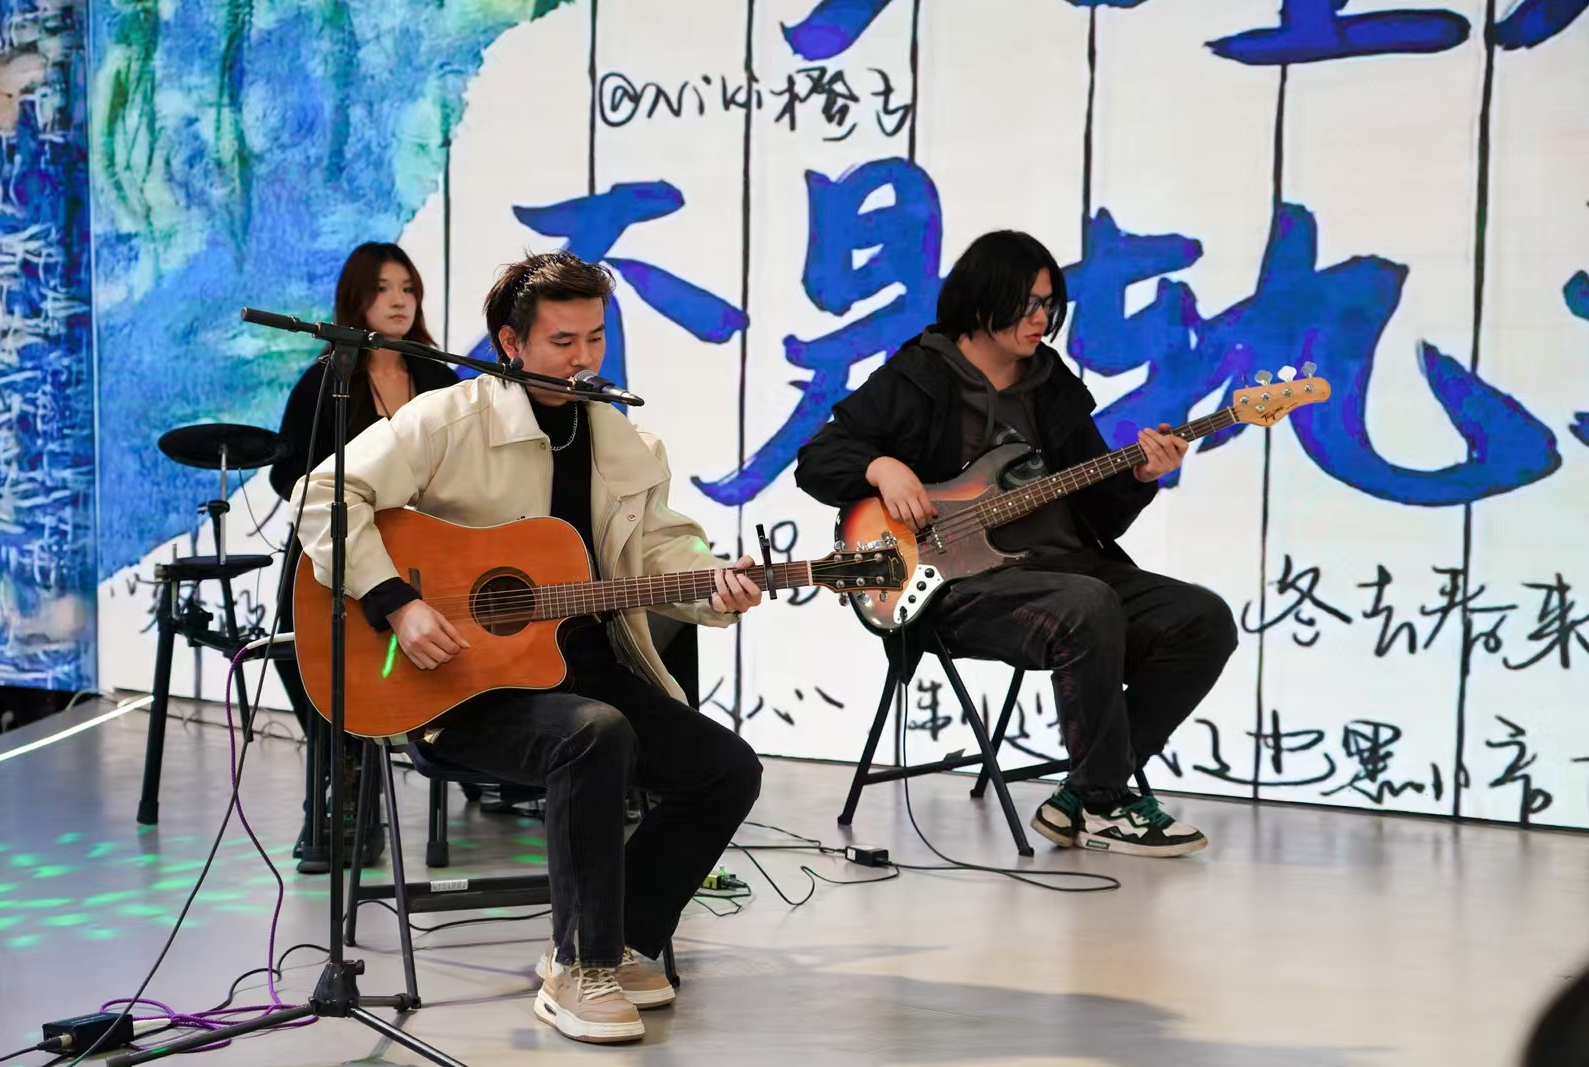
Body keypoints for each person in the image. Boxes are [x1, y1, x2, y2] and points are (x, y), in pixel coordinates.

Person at [291, 251, 764, 1044]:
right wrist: (396, 601)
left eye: (595, 338)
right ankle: (581, 967)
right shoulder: (448, 419)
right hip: (460, 690)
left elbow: (659, 552)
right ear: (511, 343)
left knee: (725, 769)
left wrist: (713, 583)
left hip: (588, 673)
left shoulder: (622, 441)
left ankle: (622, 940)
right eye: (561, 341)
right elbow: (324, 495)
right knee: (593, 733)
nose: (583, 358)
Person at [795, 230, 1237, 859]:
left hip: (1066, 570)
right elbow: (819, 458)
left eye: (1049, 305)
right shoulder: (918, 377)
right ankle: (1107, 804)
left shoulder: (1053, 389)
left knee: (1202, 618)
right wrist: (882, 468)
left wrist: (1141, 475)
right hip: (956, 590)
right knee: (1086, 603)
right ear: (981, 302)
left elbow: (1100, 515)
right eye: (1027, 304)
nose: (1041, 319)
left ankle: (1087, 792)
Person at [269, 241, 458, 866]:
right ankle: (343, 775)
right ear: (356, 299)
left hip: (427, 554)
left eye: (407, 287)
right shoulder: (326, 379)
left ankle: (381, 771)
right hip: (342, 551)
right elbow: (287, 475)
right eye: (382, 288)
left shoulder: (439, 378)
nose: (399, 300)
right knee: (301, 643)